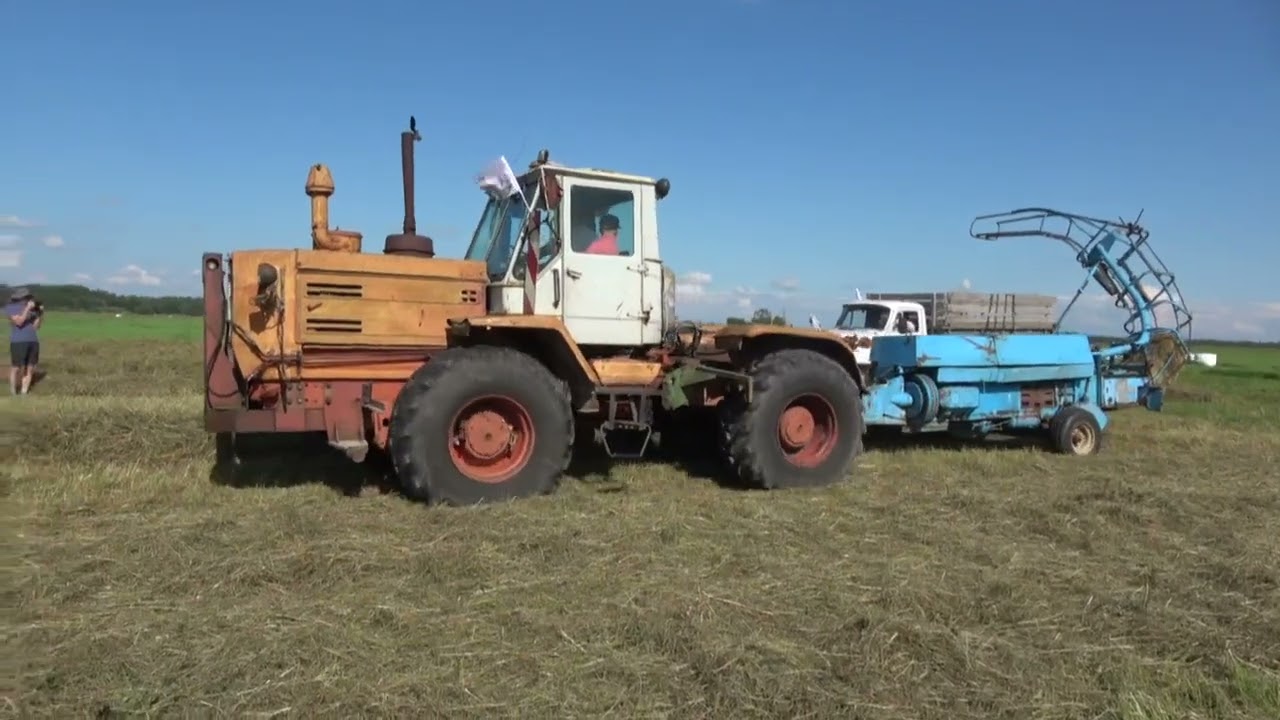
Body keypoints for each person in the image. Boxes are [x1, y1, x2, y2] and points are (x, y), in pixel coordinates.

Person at [6, 287, 43, 395]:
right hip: (18, 341)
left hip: (33, 340)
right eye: (27, 298)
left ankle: (24, 393)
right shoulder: (11, 308)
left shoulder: (33, 310)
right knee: (16, 367)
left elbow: (36, 327)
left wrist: (40, 314)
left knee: (30, 368)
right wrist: (27, 308)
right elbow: (19, 322)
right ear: (21, 298)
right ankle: (13, 392)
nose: (29, 300)